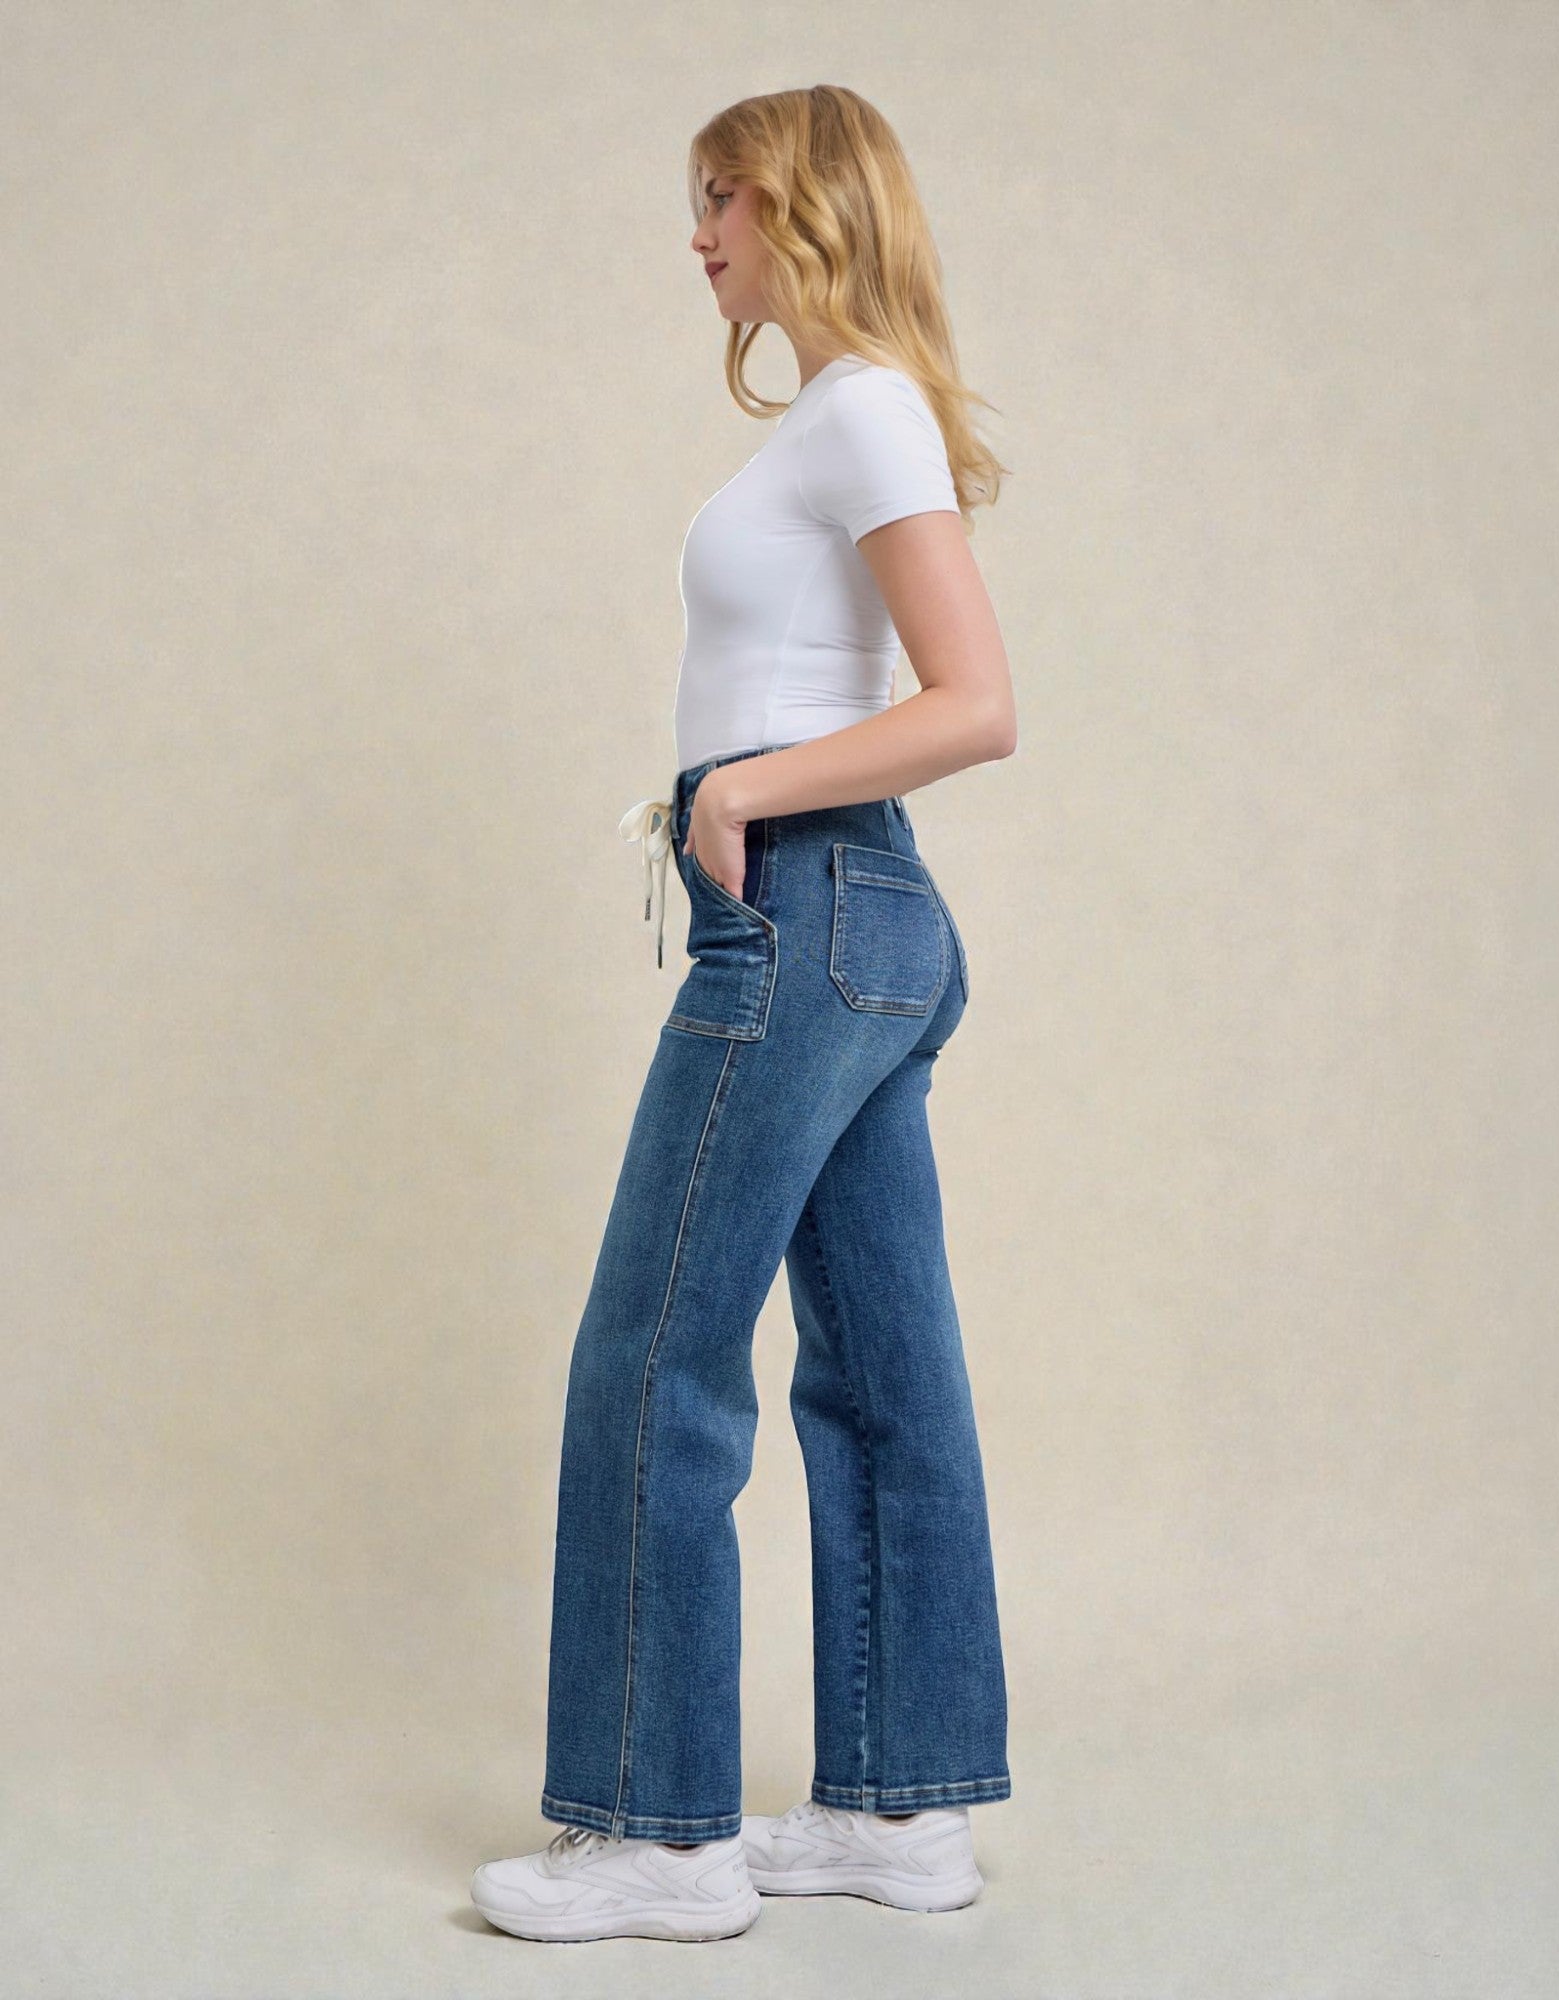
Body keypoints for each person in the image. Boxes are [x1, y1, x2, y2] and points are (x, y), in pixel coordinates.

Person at [472, 82, 1017, 1945]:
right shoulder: (853, 417)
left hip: (801, 907)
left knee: (654, 1352)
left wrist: (737, 798)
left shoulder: (859, 408)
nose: (697, 232)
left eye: (726, 196)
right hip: (867, 917)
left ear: (808, 206)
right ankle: (899, 1805)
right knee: (880, 1370)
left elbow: (976, 700)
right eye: (696, 199)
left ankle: (656, 1828)